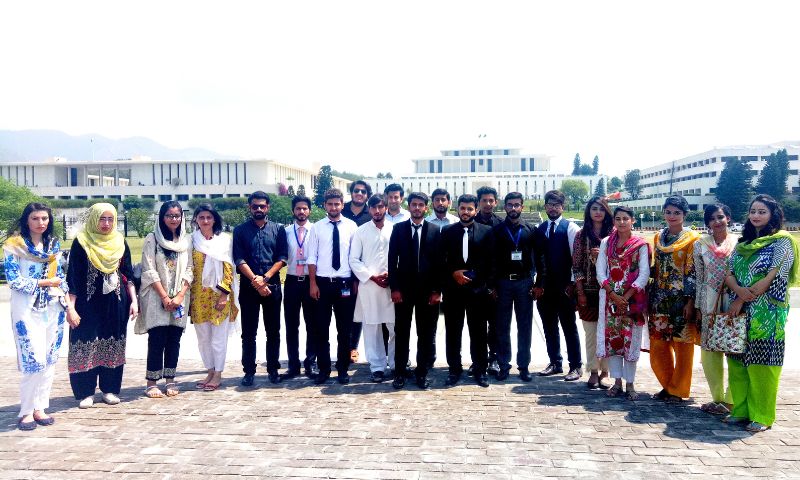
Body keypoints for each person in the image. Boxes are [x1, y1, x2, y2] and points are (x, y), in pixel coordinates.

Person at [723, 194, 799, 432]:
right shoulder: (743, 242)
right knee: (737, 360)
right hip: (740, 309)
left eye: (762, 212)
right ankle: (741, 410)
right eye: (753, 211)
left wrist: (744, 297)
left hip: (767, 312)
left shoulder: (782, 241)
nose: (756, 216)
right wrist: (737, 294)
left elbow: (774, 276)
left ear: (772, 215)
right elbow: (729, 271)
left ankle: (762, 415)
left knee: (762, 363)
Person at [5, 203, 71, 430]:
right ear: (26, 220)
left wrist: (68, 304)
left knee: (49, 359)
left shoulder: (53, 245)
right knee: (33, 360)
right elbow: (14, 281)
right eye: (35, 218)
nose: (41, 223)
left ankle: (40, 407)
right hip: (26, 309)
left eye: (44, 218)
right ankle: (25, 412)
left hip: (52, 308)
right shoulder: (14, 246)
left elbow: (61, 276)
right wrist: (45, 282)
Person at [67, 203, 137, 408]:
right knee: (84, 342)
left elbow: (128, 274)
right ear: (93, 219)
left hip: (115, 302)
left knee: (113, 341)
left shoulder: (119, 241)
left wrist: (134, 301)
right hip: (86, 304)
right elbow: (73, 278)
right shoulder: (81, 242)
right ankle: (85, 392)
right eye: (101, 218)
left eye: (110, 219)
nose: (106, 224)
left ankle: (110, 389)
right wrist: (71, 308)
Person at [136, 201, 193, 398]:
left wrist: (179, 296)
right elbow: (149, 269)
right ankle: (151, 382)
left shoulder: (186, 241)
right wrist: (164, 296)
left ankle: (170, 379)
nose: (174, 219)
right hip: (156, 296)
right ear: (162, 217)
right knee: (157, 338)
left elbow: (190, 270)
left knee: (174, 339)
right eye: (169, 215)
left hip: (179, 298)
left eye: (177, 216)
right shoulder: (152, 239)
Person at [233, 191, 288, 386]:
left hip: (271, 286)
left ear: (268, 208)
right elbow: (239, 259)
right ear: (249, 207)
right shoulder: (240, 231)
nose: (258, 209)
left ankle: (273, 369)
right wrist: (256, 281)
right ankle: (249, 371)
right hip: (248, 288)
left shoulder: (278, 229)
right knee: (249, 332)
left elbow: (282, 257)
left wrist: (264, 279)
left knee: (273, 331)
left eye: (262, 206)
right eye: (255, 206)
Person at [388, 192, 442, 389]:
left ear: (426, 208)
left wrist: (437, 291)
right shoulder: (399, 229)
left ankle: (422, 372)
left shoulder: (435, 230)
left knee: (425, 334)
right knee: (402, 332)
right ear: (408, 206)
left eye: (421, 205)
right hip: (404, 290)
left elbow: (439, 264)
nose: (417, 208)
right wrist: (394, 288)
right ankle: (400, 372)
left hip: (428, 292)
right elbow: (392, 261)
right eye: (414, 205)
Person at [649, 195, 700, 402]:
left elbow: (692, 272)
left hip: (681, 301)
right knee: (658, 345)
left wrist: (690, 302)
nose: (672, 216)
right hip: (660, 299)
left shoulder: (692, 240)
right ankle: (668, 385)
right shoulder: (657, 238)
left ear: (684, 215)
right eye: (668, 212)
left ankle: (679, 390)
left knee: (682, 347)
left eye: (677, 213)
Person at [596, 206, 650, 400]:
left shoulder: (640, 245)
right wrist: (613, 295)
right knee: (614, 341)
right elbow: (600, 271)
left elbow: (644, 273)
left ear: (632, 220)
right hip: (610, 301)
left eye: (625, 218)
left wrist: (625, 298)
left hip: (632, 301)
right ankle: (617, 381)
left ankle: (630, 383)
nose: (621, 222)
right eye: (618, 218)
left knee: (630, 340)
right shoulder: (606, 243)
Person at [307, 188, 359, 385]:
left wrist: (355, 282)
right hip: (322, 284)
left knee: (344, 330)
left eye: (337, 204)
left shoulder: (352, 227)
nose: (334, 207)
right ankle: (324, 369)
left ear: (342, 205)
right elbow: (312, 257)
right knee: (321, 329)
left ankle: (343, 369)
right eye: (330, 204)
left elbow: (354, 257)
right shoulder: (317, 228)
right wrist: (312, 283)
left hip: (344, 284)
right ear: (325, 206)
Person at [441, 194, 493, 387]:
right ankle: (454, 369)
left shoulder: (487, 232)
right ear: (457, 209)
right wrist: (454, 273)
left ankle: (480, 370)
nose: (466, 212)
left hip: (477, 291)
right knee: (453, 331)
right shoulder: (447, 232)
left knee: (478, 332)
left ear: (476, 210)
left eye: (470, 209)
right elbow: (441, 260)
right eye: (462, 208)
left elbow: (490, 262)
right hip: (453, 291)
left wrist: (473, 275)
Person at [533, 190, 583, 380]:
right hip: (545, 287)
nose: (553, 208)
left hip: (565, 287)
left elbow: (576, 259)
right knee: (549, 327)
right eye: (549, 204)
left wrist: (572, 283)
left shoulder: (571, 228)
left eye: (556, 205)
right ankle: (555, 362)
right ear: (545, 206)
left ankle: (576, 365)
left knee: (569, 327)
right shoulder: (540, 228)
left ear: (562, 207)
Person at [693, 203, 737, 415]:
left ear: (728, 217)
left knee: (734, 349)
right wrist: (699, 307)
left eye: (720, 217)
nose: (716, 222)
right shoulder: (700, 245)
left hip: (734, 301)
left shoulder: (739, 243)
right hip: (708, 301)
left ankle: (731, 399)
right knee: (709, 351)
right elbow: (700, 279)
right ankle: (717, 398)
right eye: (711, 218)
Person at [189, 204, 239, 392]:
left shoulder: (224, 240)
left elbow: (229, 268)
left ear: (215, 219)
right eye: (201, 217)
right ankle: (209, 371)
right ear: (196, 220)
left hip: (219, 295)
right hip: (198, 295)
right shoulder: (191, 240)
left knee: (218, 338)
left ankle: (218, 373)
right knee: (203, 338)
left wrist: (225, 295)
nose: (205, 221)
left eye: (209, 217)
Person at [349, 194, 396, 382]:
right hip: (369, 286)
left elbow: (401, 257)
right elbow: (354, 259)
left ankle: (395, 364)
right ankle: (377, 367)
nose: (377, 211)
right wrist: (372, 276)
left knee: (395, 327)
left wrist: (392, 276)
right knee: (372, 328)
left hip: (392, 286)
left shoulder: (395, 229)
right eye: (373, 208)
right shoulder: (361, 231)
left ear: (386, 208)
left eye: (380, 207)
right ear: (369, 210)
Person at [490, 192, 536, 382]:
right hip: (503, 283)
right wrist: (492, 286)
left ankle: (524, 366)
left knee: (524, 326)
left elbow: (538, 257)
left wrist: (537, 282)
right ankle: (503, 365)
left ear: (522, 207)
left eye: (517, 205)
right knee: (502, 326)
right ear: (504, 207)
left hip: (524, 283)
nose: (513, 208)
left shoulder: (530, 230)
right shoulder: (497, 231)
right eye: (510, 205)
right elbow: (492, 260)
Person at [573, 196, 613, 390]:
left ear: (607, 212)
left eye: (602, 209)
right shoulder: (582, 235)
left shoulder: (614, 234)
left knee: (607, 333)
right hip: (588, 292)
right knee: (591, 334)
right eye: (594, 208)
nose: (598, 212)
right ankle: (593, 371)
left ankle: (606, 372)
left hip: (611, 292)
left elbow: (622, 264)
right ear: (589, 211)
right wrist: (580, 292)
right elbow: (577, 267)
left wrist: (604, 255)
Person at [283, 195, 317, 379]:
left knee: (312, 324)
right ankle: (293, 365)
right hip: (291, 281)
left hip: (311, 281)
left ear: (309, 211)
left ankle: (310, 363)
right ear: (293, 211)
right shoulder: (286, 232)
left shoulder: (316, 230)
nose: (301, 212)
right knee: (291, 325)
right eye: (298, 209)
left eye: (305, 208)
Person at [342, 180, 373, 364]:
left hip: (361, 273)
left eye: (363, 191)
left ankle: (353, 348)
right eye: (356, 190)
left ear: (367, 195)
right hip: (340, 272)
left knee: (358, 313)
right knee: (343, 313)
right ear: (351, 193)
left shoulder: (370, 214)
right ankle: (343, 348)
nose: (359, 193)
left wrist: (359, 276)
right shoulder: (341, 210)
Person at [474, 186, 503, 375]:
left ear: (495, 202)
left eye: (491, 200)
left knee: (495, 323)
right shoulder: (470, 222)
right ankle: (478, 358)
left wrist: (494, 284)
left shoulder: (500, 224)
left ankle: (494, 357)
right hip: (475, 283)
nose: (487, 204)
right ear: (478, 203)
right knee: (476, 324)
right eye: (484, 200)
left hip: (496, 283)